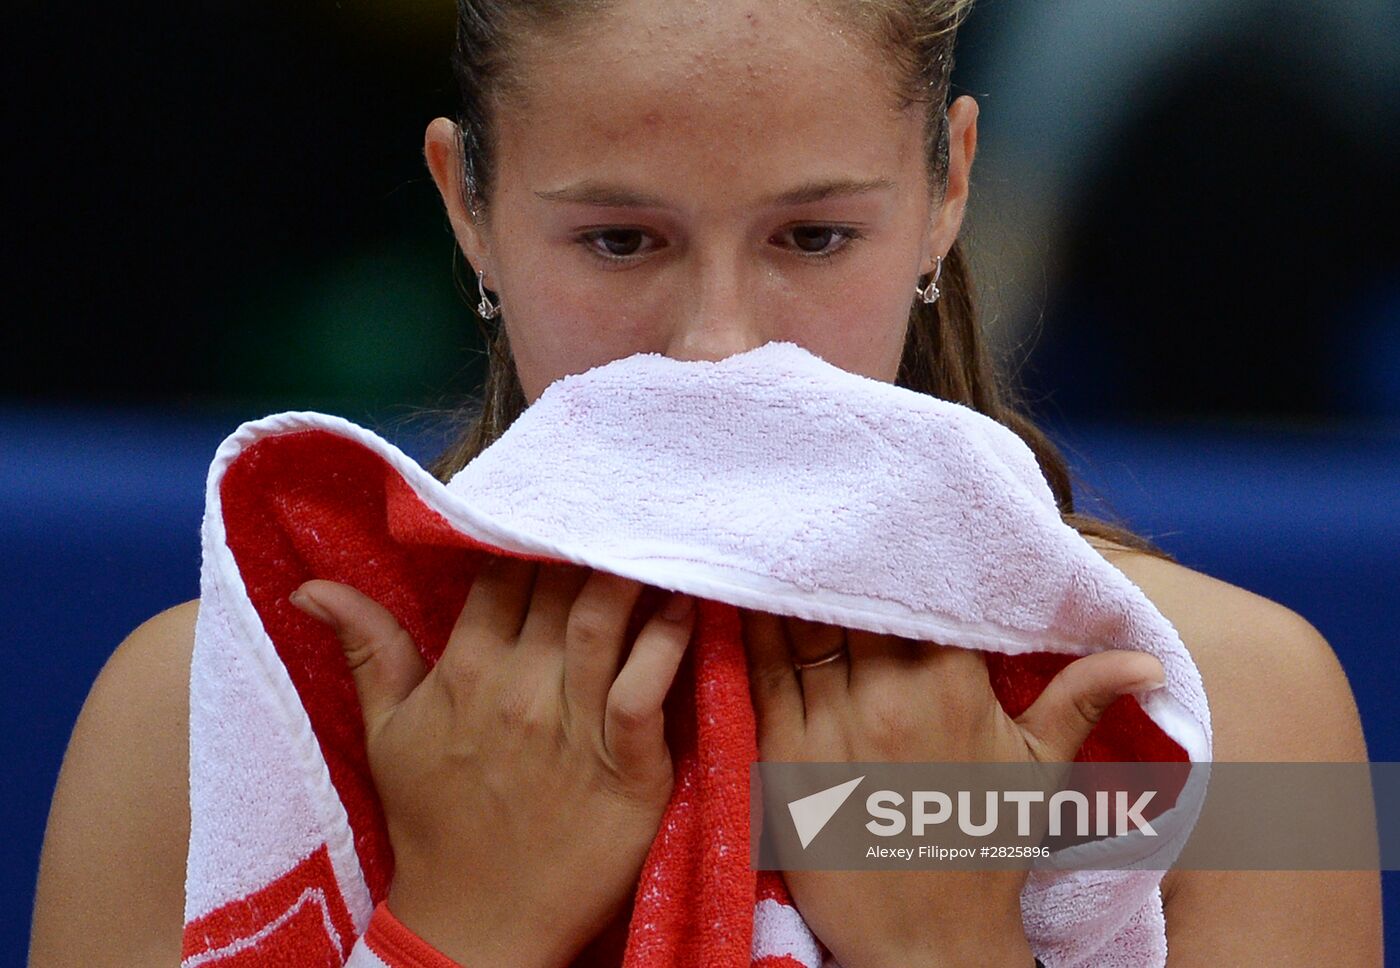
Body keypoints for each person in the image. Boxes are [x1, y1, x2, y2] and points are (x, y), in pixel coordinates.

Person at [30, 0, 1382, 965]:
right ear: (468, 208)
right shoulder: (186, 714)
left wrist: (946, 945)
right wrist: (464, 931)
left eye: (814, 234)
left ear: (949, 185)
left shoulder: (1250, 717)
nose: (720, 340)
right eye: (620, 239)